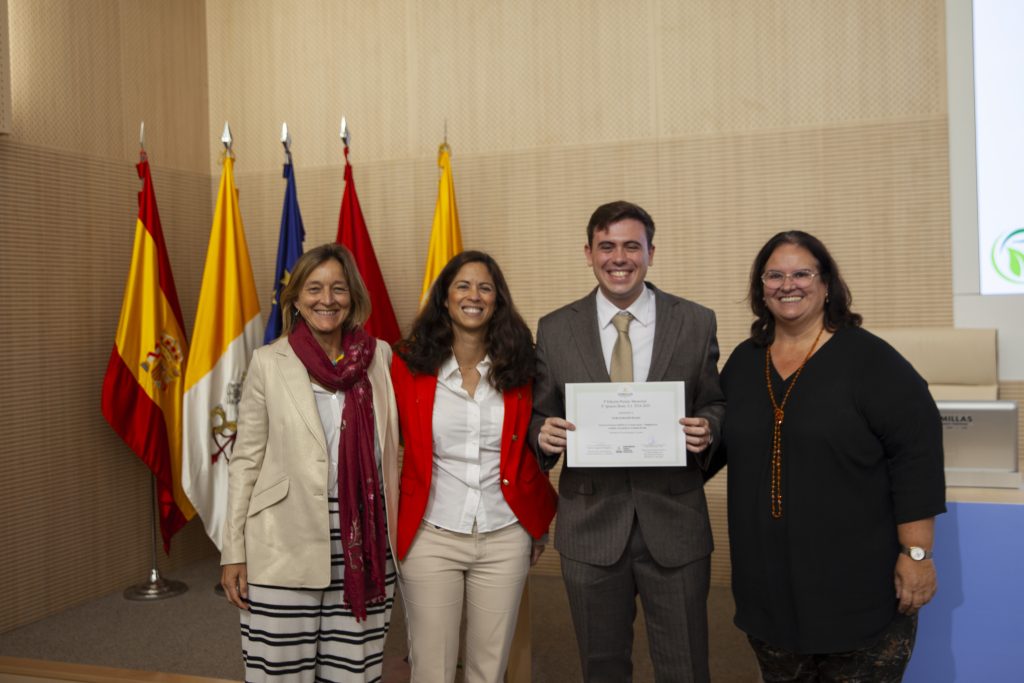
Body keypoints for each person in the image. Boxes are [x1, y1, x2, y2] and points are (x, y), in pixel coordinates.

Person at [716, 231, 945, 682]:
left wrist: (917, 554)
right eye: (774, 275)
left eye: (802, 273)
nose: (788, 285)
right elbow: (716, 443)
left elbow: (916, 457)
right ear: (761, 287)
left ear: (826, 284)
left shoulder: (872, 361)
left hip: (857, 593)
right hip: (769, 592)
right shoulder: (744, 362)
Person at [529, 201, 725, 682]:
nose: (619, 258)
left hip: (674, 521)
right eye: (607, 246)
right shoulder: (555, 328)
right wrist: (543, 434)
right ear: (589, 253)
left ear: (651, 253)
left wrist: (708, 428)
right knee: (602, 668)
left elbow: (714, 402)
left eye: (632, 246)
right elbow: (539, 413)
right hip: (590, 525)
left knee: (685, 667)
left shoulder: (695, 321)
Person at [220, 243, 400, 683]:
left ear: (353, 296)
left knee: (352, 672)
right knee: (280, 672)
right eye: (315, 288)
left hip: (365, 541)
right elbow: (245, 461)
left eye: (338, 288)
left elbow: (396, 448)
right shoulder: (269, 362)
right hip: (282, 540)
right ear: (296, 297)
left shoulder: (380, 357)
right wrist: (233, 551)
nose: (327, 299)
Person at [392, 251, 558, 683]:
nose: (474, 295)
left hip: (505, 535)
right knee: (431, 668)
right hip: (431, 534)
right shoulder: (406, 364)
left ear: (497, 300)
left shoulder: (523, 366)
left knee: (489, 669)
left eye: (485, 287)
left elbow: (531, 447)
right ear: (444, 297)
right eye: (462, 286)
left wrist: (535, 526)